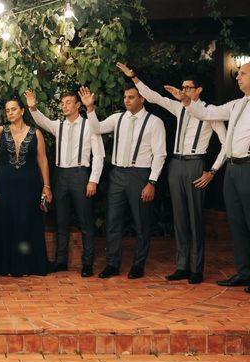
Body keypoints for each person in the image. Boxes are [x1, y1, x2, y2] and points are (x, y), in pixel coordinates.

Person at [117, 63, 227, 284]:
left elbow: (226, 144)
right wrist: (135, 77)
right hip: (176, 165)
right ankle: (182, 266)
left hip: (196, 164)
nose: (183, 91)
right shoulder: (179, 108)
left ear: (199, 90)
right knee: (179, 218)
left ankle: (197, 269)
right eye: (183, 87)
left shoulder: (210, 112)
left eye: (188, 88)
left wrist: (212, 171)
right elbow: (154, 97)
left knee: (195, 218)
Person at [164, 62, 250, 292]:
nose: (238, 77)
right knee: (237, 224)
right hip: (232, 169)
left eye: (242, 73)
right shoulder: (235, 105)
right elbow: (204, 112)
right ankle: (244, 273)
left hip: (248, 167)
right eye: (238, 73)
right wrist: (185, 101)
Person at [84, 83, 167, 279]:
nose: (126, 100)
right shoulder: (118, 118)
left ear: (142, 99)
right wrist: (90, 108)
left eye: (131, 97)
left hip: (140, 174)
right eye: (125, 97)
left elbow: (160, 155)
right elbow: (96, 128)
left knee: (142, 222)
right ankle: (113, 264)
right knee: (113, 221)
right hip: (117, 175)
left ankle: (138, 265)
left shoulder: (154, 122)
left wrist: (151, 182)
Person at [25, 90, 104, 277]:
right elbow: (41, 121)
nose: (64, 106)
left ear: (78, 105)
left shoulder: (89, 126)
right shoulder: (58, 125)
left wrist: (93, 180)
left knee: (85, 221)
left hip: (80, 174)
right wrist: (32, 106)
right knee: (61, 220)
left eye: (68, 102)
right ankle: (61, 261)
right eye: (63, 103)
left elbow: (99, 155)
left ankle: (87, 263)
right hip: (60, 175)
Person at [0, 95, 52, 277]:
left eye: (14, 109)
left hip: (30, 185)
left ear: (22, 111)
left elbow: (42, 160)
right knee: (7, 220)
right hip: (6, 184)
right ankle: (7, 265)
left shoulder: (35, 133)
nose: (10, 112)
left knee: (27, 221)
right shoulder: (2, 131)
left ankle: (28, 265)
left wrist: (47, 186)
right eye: (7, 110)